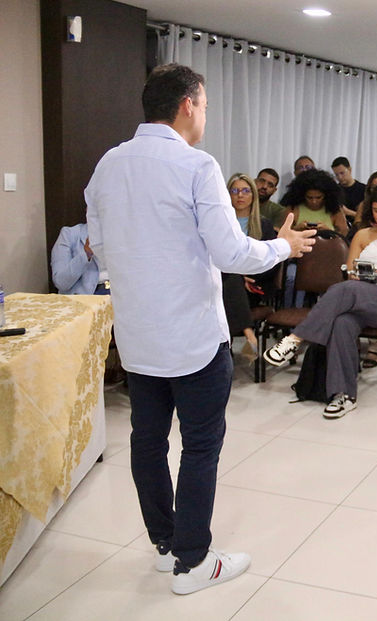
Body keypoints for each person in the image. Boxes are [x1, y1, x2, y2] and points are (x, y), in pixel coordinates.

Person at [84, 63, 315, 595]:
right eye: (205, 105)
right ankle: (193, 562)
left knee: (146, 441)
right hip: (191, 334)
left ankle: (166, 547)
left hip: (139, 334)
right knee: (200, 446)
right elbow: (231, 251)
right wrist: (285, 246)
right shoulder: (195, 165)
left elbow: (99, 246)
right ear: (188, 104)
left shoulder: (108, 165)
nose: (205, 114)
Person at [264, 184, 377, 416]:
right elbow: (350, 272)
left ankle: (295, 339)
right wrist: (364, 278)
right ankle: (344, 395)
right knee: (342, 322)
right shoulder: (362, 235)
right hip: (360, 296)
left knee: (345, 290)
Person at [223, 173, 277, 358]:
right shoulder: (220, 225)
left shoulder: (264, 225)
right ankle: (249, 333)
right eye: (235, 190)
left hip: (255, 286)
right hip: (228, 282)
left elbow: (271, 261)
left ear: (253, 195)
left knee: (229, 280)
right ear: (227, 194)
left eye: (245, 191)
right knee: (229, 280)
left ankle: (230, 348)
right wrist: (239, 277)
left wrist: (247, 276)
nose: (240, 195)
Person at [280, 169, 349, 307]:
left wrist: (328, 231)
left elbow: (344, 234)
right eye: (309, 197)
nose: (314, 201)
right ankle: (288, 308)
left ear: (326, 196)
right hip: (298, 260)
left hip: (327, 260)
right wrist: (297, 229)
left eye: (319, 197)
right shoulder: (294, 208)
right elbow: (281, 235)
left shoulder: (334, 210)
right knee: (290, 278)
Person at [51, 218, 108, 295]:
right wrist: (86, 253)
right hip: (88, 297)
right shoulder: (69, 235)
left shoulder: (124, 235)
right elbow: (61, 282)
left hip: (119, 293)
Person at [331, 156, 366, 223]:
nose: (340, 177)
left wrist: (348, 212)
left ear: (350, 170)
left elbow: (368, 218)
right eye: (336, 175)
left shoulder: (364, 190)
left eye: (342, 173)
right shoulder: (334, 191)